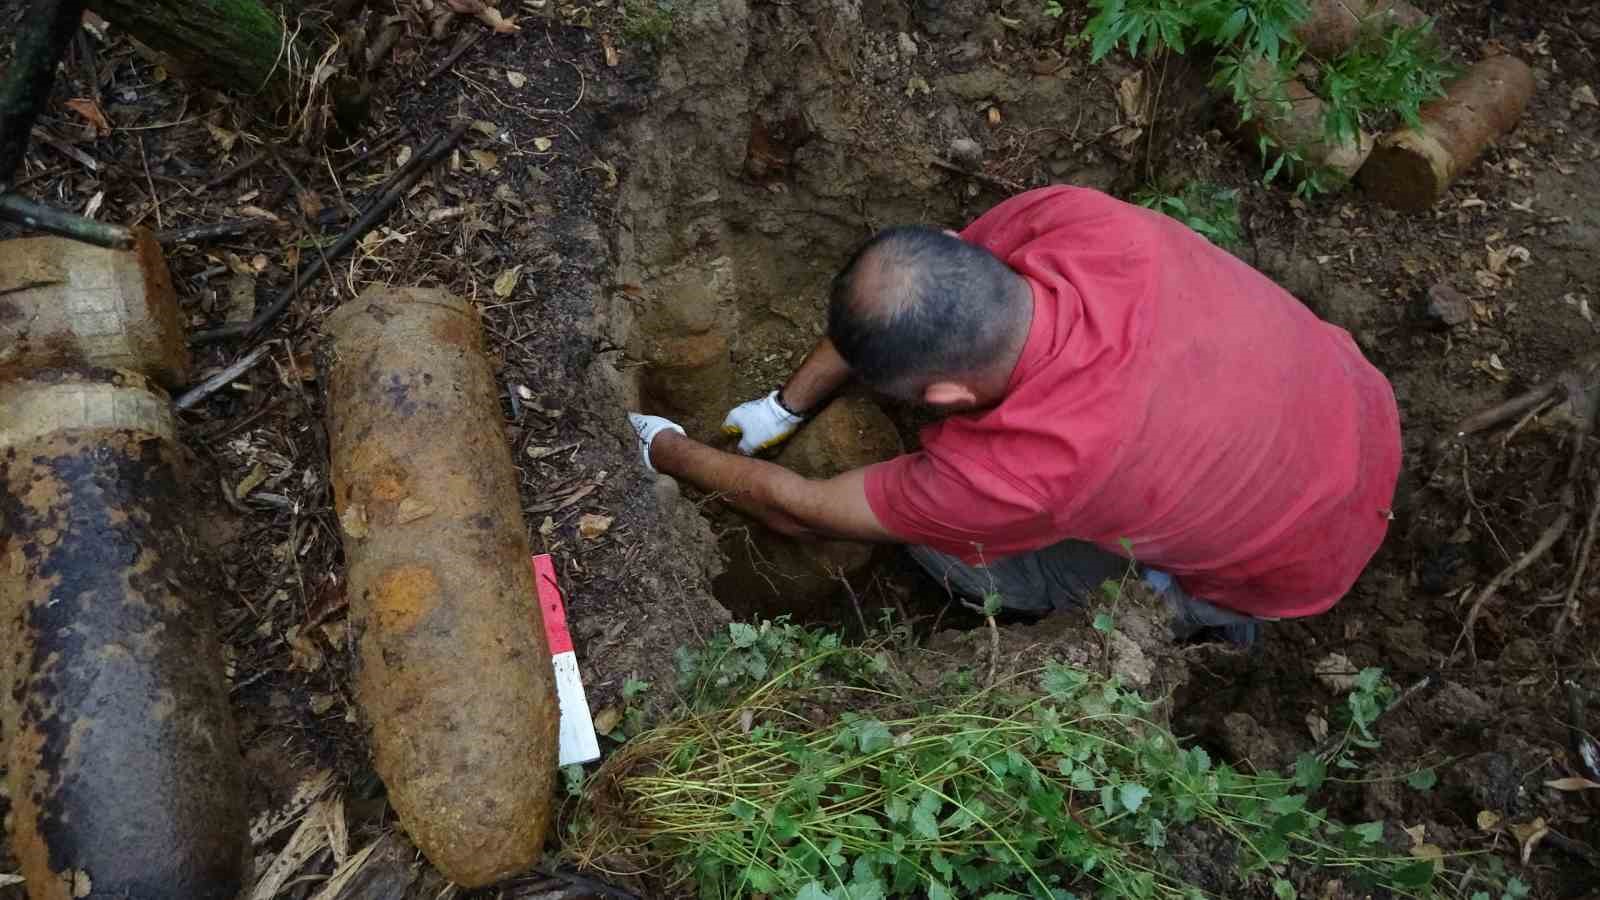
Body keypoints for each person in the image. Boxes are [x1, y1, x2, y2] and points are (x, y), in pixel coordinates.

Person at [627, 186, 1401, 645]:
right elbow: (903, 294)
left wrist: (664, 448)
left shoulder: (1031, 469)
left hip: (1289, 570)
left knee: (943, 550)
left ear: (947, 400)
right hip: (1353, 403)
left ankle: (1198, 617)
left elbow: (804, 513)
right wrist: (783, 405)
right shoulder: (1083, 222)